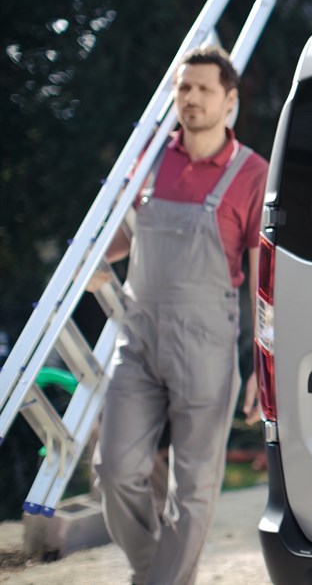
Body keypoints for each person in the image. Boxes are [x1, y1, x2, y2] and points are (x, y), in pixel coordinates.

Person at [92, 45, 268, 585]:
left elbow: (262, 280)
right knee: (113, 470)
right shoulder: (148, 161)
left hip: (206, 343)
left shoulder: (251, 173)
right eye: (183, 88)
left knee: (192, 491)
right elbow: (127, 238)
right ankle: (158, 576)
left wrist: (264, 365)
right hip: (139, 337)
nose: (190, 98)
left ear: (229, 100)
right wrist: (96, 260)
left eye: (203, 89)